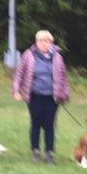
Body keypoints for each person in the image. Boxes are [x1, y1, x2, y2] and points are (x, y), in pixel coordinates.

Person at [12, 29, 70, 164]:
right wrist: (16, 90)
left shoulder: (57, 57)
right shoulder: (28, 55)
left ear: (51, 42)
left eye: (47, 41)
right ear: (36, 42)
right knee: (36, 123)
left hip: (52, 97)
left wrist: (65, 94)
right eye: (41, 41)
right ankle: (35, 151)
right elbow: (19, 74)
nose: (44, 43)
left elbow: (63, 77)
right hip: (34, 95)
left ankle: (50, 152)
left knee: (50, 125)